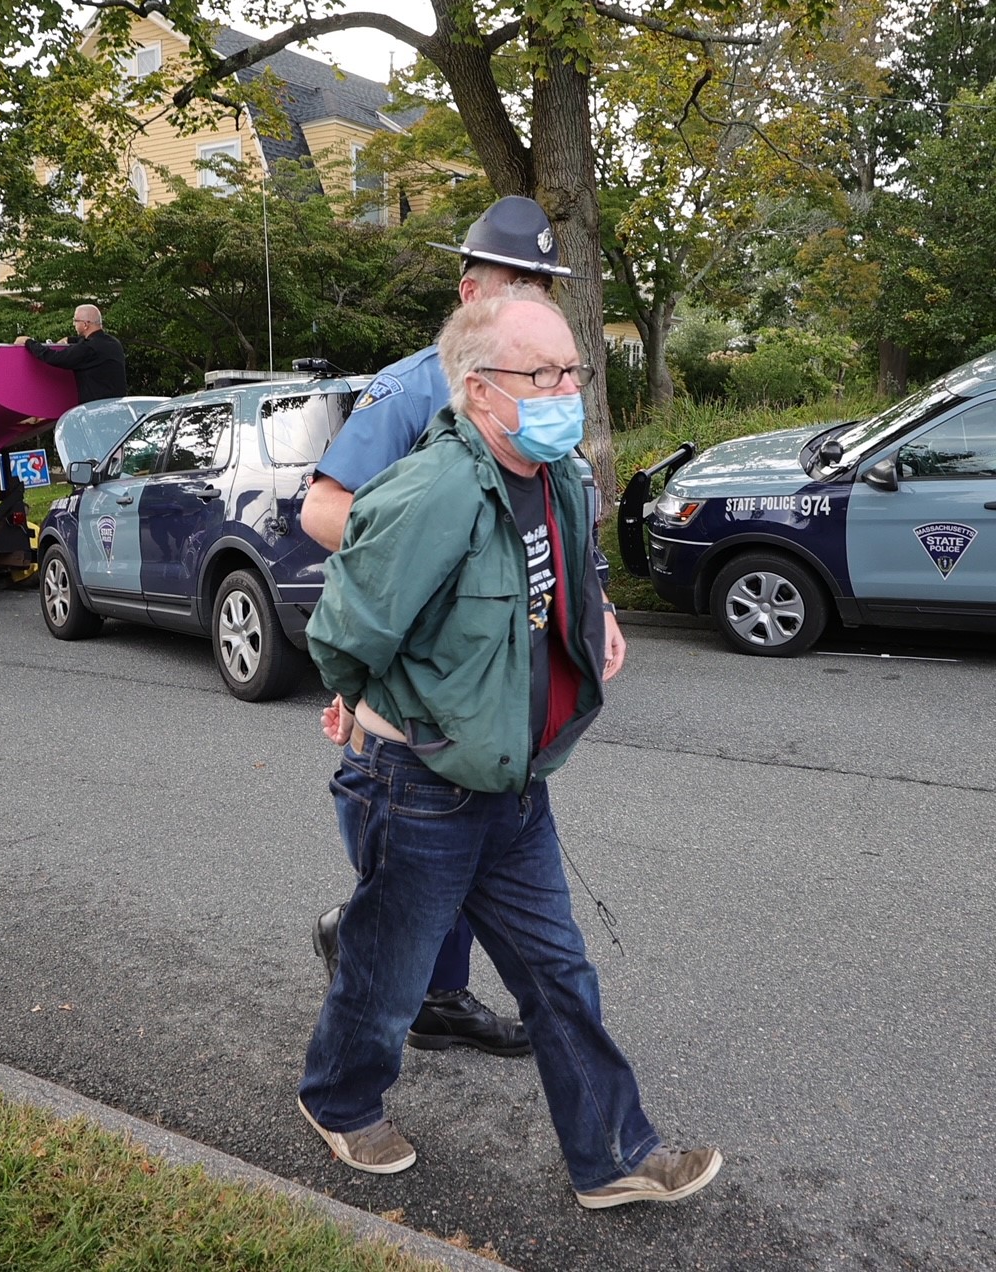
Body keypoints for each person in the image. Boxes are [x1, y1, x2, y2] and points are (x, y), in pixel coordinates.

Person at [296, 290, 719, 1210]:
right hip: (418, 783)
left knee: (558, 975)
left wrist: (596, 614)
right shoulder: (431, 490)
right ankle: (337, 1099)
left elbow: (565, 576)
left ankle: (613, 1157)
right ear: (480, 391)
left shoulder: (555, 471)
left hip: (516, 782)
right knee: (392, 972)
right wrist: (364, 701)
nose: (568, 388)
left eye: (573, 369)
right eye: (546, 373)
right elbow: (342, 632)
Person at [303, 195, 621, 1058]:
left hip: (509, 681)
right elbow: (324, 509)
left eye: (546, 283)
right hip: (423, 683)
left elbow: (553, 516)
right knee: (426, 850)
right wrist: (429, 539)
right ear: (469, 290)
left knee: (476, 844)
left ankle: (435, 994)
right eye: (519, 280)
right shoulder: (419, 386)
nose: (535, 298)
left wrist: (594, 605)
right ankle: (373, 967)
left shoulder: (546, 383)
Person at [12, 303, 127, 402]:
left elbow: (55, 358)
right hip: (117, 406)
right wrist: (70, 339)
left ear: (85, 324)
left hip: (96, 410)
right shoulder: (113, 343)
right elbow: (89, 341)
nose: (73, 324)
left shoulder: (88, 349)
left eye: (75, 320)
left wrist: (28, 342)